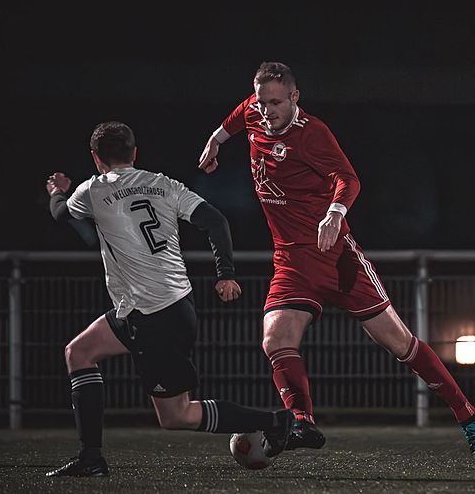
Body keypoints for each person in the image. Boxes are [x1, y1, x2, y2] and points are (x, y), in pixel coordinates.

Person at [197, 62, 475, 466]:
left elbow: (348, 178)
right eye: (263, 102)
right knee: (275, 339)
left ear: (295, 98)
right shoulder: (255, 109)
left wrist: (335, 213)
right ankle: (302, 422)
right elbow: (236, 117)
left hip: (336, 257)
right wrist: (215, 141)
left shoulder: (312, 133)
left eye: (276, 103)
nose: (267, 110)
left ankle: (469, 417)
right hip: (291, 261)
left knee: (401, 344)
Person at [44, 121, 294, 477]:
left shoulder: (93, 190)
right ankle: (91, 458)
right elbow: (216, 222)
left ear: (95, 157)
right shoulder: (164, 184)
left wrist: (58, 190)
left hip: (154, 318)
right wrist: (225, 274)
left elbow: (59, 213)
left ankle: (275, 421)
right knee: (79, 353)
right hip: (157, 309)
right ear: (134, 153)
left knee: (178, 416)